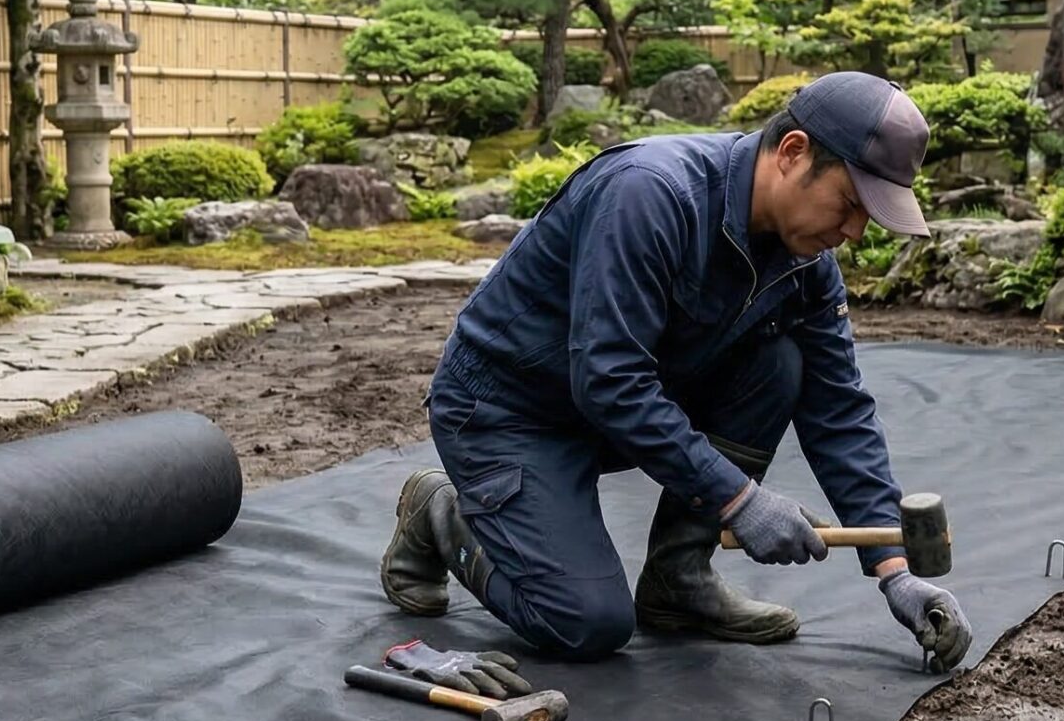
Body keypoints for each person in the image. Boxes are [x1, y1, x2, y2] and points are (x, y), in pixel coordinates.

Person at [378, 71, 974, 673]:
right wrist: (739, 499)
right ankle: (441, 510)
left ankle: (677, 580)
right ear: (793, 153)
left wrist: (894, 571)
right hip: (509, 412)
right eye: (850, 203)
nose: (853, 232)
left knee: (779, 363)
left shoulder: (804, 262)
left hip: (615, 406)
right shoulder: (650, 194)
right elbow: (610, 378)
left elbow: (838, 408)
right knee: (586, 623)